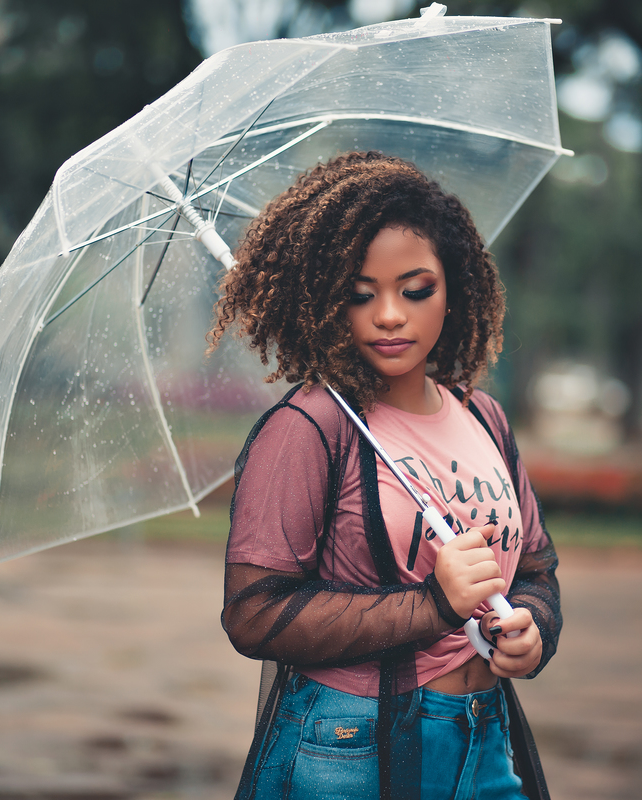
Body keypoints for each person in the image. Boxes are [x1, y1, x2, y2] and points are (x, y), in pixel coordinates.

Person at [207, 151, 561, 800]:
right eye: (360, 294)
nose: (390, 315)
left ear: (453, 289)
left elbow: (535, 568)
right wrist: (433, 604)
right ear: (326, 303)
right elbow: (254, 613)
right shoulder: (309, 427)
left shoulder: (483, 415)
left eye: (415, 288)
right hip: (349, 751)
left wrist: (531, 629)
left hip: (486, 740)